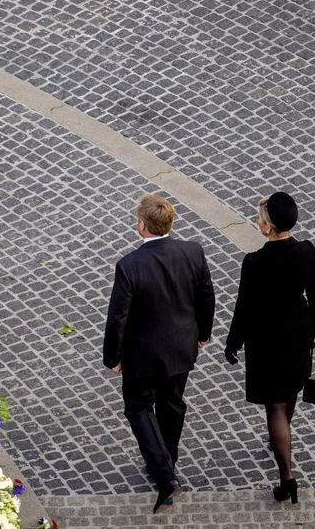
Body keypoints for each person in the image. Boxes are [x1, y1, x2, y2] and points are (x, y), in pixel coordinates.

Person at [103, 194, 215, 513]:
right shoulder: (193, 252)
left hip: (142, 356)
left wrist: (112, 357)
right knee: (172, 404)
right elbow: (207, 296)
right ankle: (168, 457)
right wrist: (202, 335)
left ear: (141, 225)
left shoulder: (129, 266)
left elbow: (118, 317)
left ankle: (165, 475)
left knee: (139, 408)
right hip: (181, 350)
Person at [223, 192, 315, 505]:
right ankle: (281, 439)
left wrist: (233, 342)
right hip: (298, 332)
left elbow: (244, 306)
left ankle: (287, 478)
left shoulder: (255, 262)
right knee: (290, 393)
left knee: (274, 406)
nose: (258, 222)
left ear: (268, 228)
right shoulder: (306, 251)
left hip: (266, 337)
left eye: (260, 219)